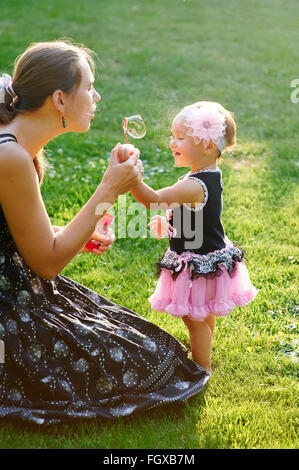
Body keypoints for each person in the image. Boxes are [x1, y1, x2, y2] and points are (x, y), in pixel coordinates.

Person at [0, 41, 209, 425]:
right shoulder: (10, 156)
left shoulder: (14, 144)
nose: (97, 96)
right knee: (147, 361)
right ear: (60, 99)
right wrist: (107, 189)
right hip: (11, 308)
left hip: (18, 289)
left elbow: (18, 236)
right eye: (89, 87)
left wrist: (75, 233)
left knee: (145, 345)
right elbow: (46, 263)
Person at [121, 101, 259, 373]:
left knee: (193, 318)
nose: (173, 142)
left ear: (207, 145)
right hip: (210, 256)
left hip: (196, 262)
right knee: (203, 312)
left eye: (180, 137)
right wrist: (171, 221)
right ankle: (203, 351)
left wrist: (132, 178)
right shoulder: (205, 175)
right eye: (173, 135)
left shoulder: (192, 185)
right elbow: (194, 213)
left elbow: (154, 199)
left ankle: (201, 367)